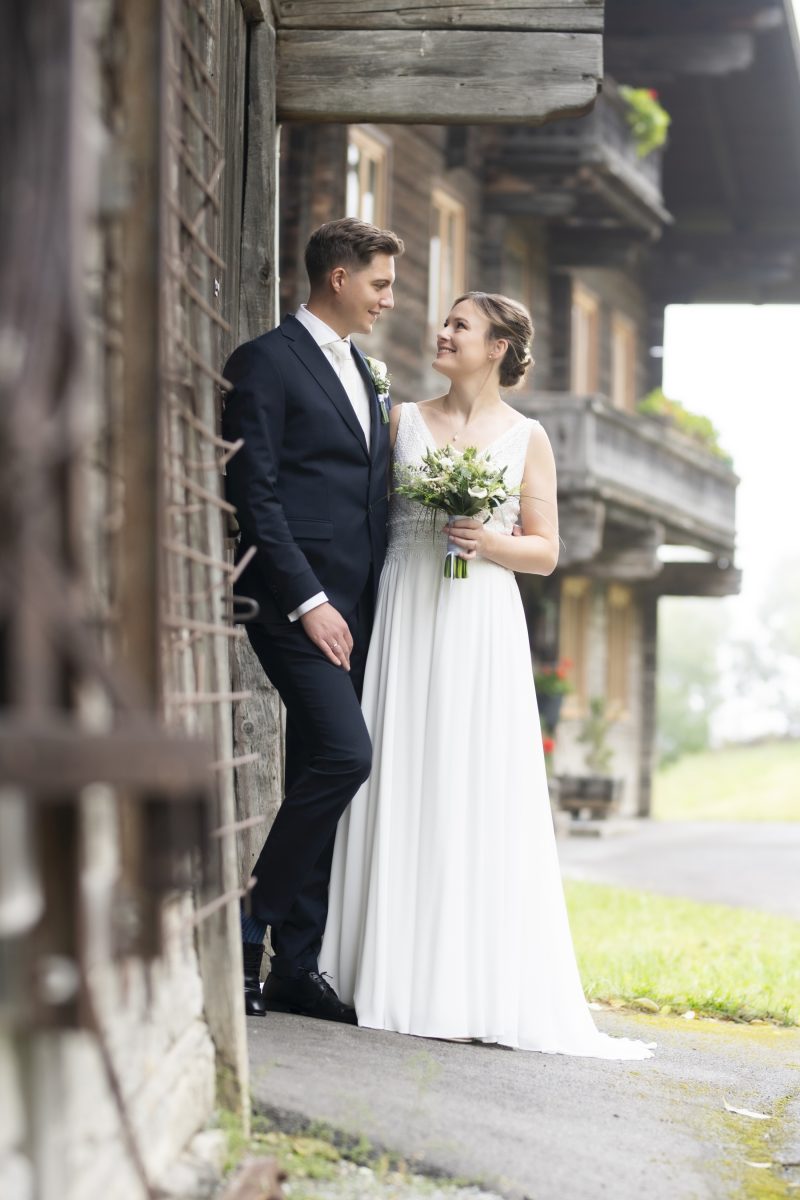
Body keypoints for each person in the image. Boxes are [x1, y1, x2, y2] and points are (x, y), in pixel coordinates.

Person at [319, 291, 654, 1059]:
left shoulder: (527, 437)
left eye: (459, 326)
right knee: (397, 773)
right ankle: (377, 971)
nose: (441, 333)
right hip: (405, 610)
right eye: (445, 322)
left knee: (471, 785)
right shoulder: (400, 419)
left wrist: (488, 541)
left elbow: (546, 550)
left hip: (480, 627)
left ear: (498, 346)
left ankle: (467, 979)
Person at [222, 218, 404, 1022]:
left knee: (317, 771)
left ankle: (295, 965)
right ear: (338, 277)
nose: (388, 300)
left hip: (361, 606)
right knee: (344, 754)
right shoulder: (263, 363)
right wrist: (310, 601)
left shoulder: (366, 372)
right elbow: (252, 495)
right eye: (380, 284)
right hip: (294, 602)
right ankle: (249, 924)